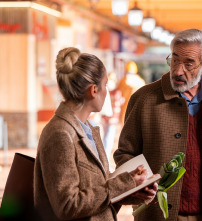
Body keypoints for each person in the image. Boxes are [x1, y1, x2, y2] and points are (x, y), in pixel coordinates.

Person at [114, 29, 202, 221]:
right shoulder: (144, 99)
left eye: (188, 63)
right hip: (158, 215)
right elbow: (125, 153)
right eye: (174, 60)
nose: (178, 70)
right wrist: (140, 184)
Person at [34, 47, 157, 221]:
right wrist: (124, 183)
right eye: (105, 85)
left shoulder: (89, 130)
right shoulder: (60, 134)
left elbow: (98, 193)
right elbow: (68, 205)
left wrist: (134, 192)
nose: (107, 91)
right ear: (93, 90)